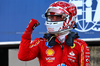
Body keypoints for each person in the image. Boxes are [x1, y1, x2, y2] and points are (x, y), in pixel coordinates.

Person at [18, 1, 90, 66]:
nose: (54, 20)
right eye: (51, 17)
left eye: (58, 17)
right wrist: (27, 32)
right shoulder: (41, 43)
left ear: (70, 18)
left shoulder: (80, 45)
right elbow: (23, 56)